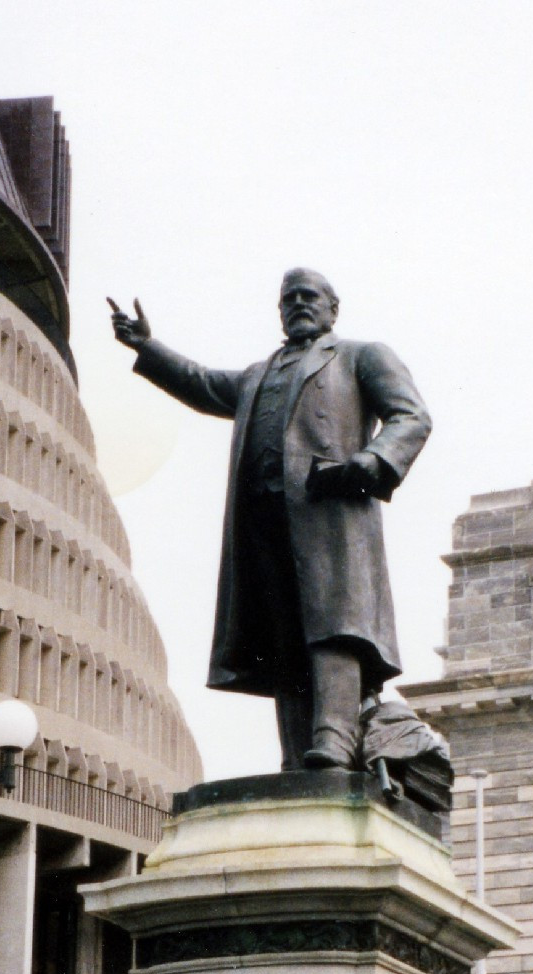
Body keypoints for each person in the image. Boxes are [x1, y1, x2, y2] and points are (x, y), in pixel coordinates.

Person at [108, 269, 431, 771]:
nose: (298, 304)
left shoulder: (360, 356)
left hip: (330, 516)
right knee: (286, 636)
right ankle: (296, 753)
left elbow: (411, 416)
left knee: (335, 626)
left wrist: (371, 461)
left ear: (332, 308)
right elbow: (202, 383)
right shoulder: (259, 374)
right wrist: (148, 347)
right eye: (289, 298)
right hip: (265, 523)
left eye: (309, 297)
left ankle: (336, 738)